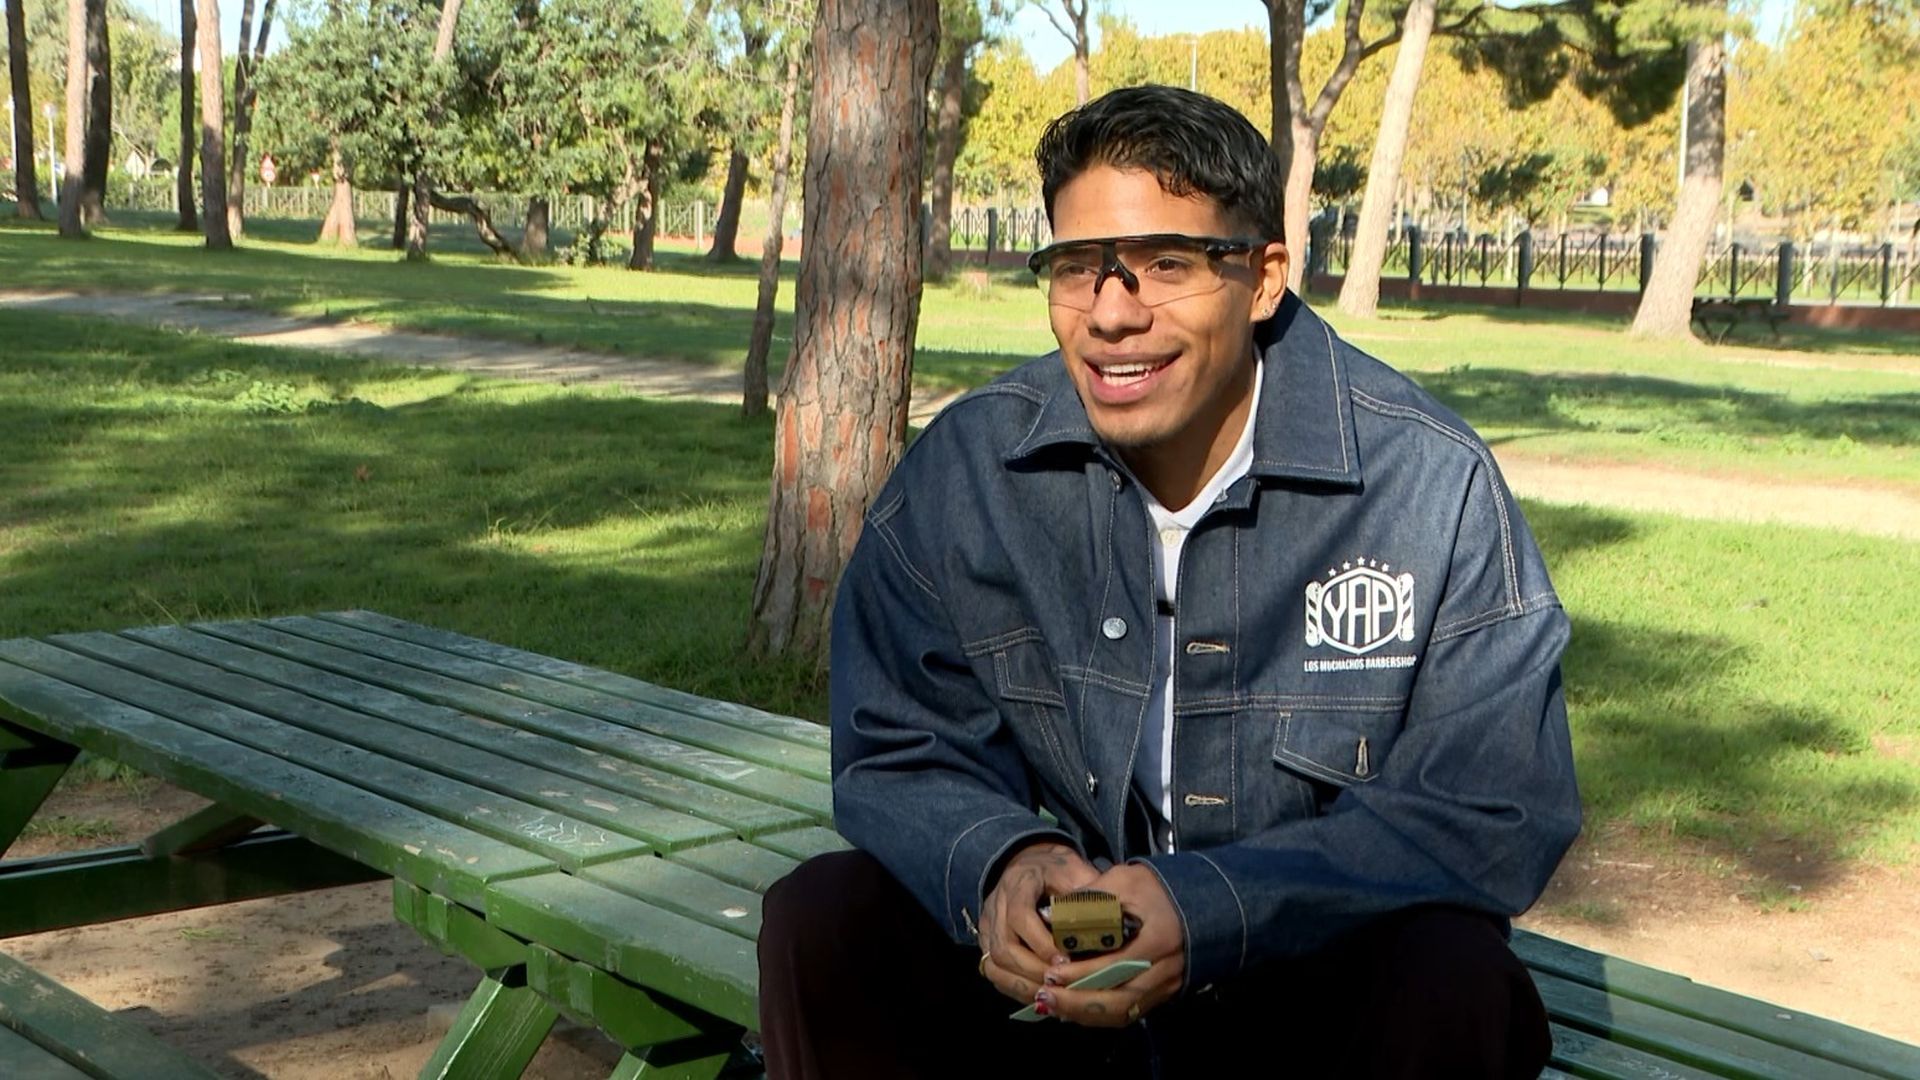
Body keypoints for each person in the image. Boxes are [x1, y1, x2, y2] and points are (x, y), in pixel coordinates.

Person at [758, 84, 1580, 1079]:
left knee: (1456, 978)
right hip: (1080, 957)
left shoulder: (1426, 485)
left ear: (1265, 276)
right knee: (823, 921)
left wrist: (1212, 910)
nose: (1111, 314)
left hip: (1310, 967)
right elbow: (898, 742)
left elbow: (1492, 812)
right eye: (1078, 268)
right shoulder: (973, 471)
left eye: (1166, 265)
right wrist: (1006, 862)